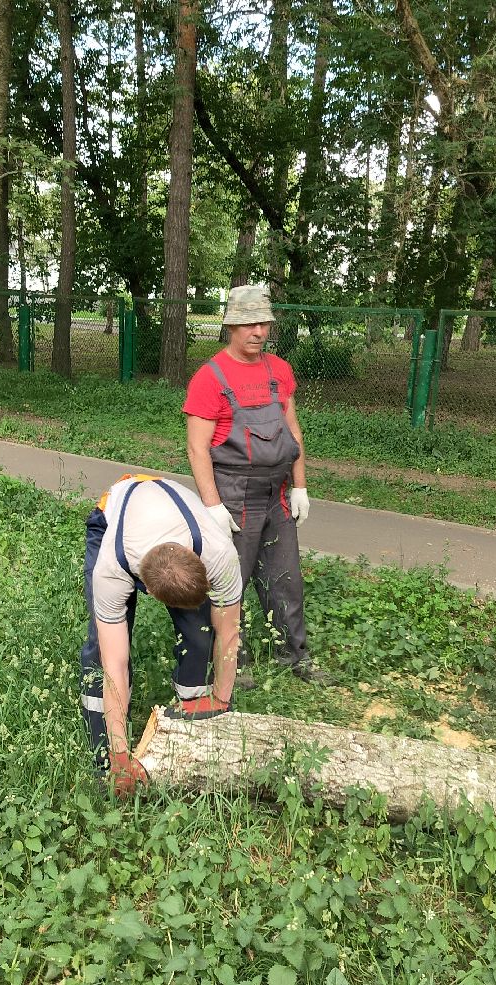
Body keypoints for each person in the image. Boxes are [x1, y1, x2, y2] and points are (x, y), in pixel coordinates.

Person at [182, 284, 326, 685]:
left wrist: (300, 486)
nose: (257, 331)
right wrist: (212, 506)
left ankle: (293, 656)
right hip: (234, 494)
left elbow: (292, 430)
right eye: (249, 323)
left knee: (286, 579)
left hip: (277, 494)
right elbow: (197, 449)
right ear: (231, 325)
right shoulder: (209, 378)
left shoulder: (279, 370)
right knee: (230, 580)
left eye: (263, 322)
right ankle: (231, 662)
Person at [80, 474, 242, 795]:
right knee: (101, 651)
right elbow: (115, 665)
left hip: (169, 516)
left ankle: (196, 730)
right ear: (149, 592)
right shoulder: (111, 569)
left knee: (200, 634)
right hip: (111, 518)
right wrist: (120, 754)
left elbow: (228, 632)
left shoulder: (220, 554)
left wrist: (221, 698)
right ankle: (106, 760)